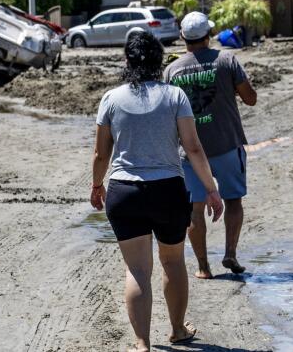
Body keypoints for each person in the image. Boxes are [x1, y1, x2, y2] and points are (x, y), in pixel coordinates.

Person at [91, 31, 224, 352]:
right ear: (158, 61)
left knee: (137, 270)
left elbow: (101, 155)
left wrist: (97, 185)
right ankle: (178, 329)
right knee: (173, 262)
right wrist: (211, 189)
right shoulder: (175, 96)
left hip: (125, 192)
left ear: (127, 60)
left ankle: (142, 344)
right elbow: (192, 147)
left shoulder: (111, 99)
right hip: (168, 191)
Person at [164, 12, 257, 279]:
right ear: (209, 36)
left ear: (183, 37)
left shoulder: (172, 70)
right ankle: (230, 253)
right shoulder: (227, 60)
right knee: (233, 200)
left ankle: (204, 267)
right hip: (227, 144)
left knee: (195, 208)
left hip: (189, 153)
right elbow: (250, 99)